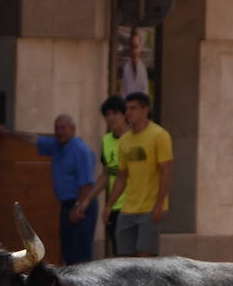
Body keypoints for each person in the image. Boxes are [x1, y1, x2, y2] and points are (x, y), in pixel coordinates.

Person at [16, 114, 101, 265]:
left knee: (80, 254)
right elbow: (34, 140)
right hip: (66, 205)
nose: (59, 132)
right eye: (56, 128)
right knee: (68, 251)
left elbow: (87, 185)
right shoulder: (56, 145)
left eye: (63, 128)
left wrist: (78, 208)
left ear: (73, 129)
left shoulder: (81, 150)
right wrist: (9, 131)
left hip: (82, 205)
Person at [103, 91, 173, 258]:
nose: (128, 113)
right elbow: (122, 176)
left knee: (145, 258)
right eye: (127, 108)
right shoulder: (125, 140)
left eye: (133, 108)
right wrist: (109, 205)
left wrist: (159, 205)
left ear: (145, 110)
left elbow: (166, 172)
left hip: (149, 208)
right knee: (123, 257)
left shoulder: (160, 135)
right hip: (128, 208)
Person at [99, 95, 129, 257]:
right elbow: (106, 174)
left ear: (124, 114)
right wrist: (87, 200)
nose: (111, 118)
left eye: (115, 113)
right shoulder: (106, 140)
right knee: (119, 254)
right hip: (114, 207)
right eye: (107, 114)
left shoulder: (134, 139)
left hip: (133, 205)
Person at [119, 28, 149, 98]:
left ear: (140, 48)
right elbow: (123, 91)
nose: (134, 51)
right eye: (132, 47)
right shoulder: (126, 68)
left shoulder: (142, 69)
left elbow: (145, 92)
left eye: (136, 47)